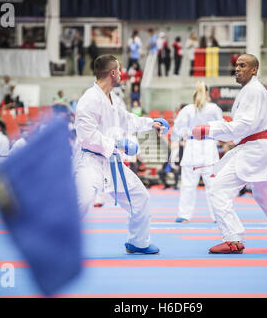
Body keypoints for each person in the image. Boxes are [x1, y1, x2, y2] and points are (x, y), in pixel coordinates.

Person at [192, 54, 267, 254]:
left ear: (254, 70)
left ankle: (233, 239)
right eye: (236, 65)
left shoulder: (253, 91)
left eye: (243, 65)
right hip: (261, 147)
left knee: (218, 189)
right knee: (265, 196)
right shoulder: (252, 90)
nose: (237, 69)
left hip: (255, 148)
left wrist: (209, 129)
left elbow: (243, 125)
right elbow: (244, 127)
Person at [73, 54, 165, 254]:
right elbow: (87, 137)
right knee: (82, 201)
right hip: (90, 161)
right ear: (113, 73)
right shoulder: (88, 100)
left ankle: (138, 242)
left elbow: (127, 120)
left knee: (141, 198)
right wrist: (117, 143)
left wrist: (151, 123)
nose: (123, 74)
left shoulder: (113, 98)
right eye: (120, 70)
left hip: (111, 162)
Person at [173, 81, 223, 223]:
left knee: (188, 184)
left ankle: (184, 215)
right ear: (207, 93)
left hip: (192, 146)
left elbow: (177, 128)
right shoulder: (214, 108)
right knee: (212, 185)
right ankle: (217, 216)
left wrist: (185, 134)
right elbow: (222, 127)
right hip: (209, 146)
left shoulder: (188, 109)